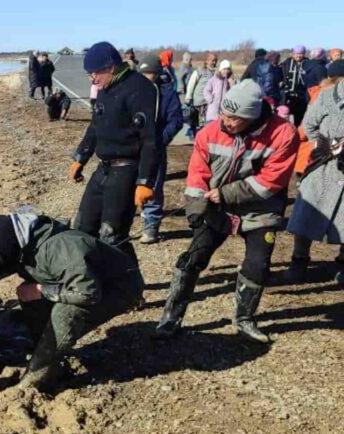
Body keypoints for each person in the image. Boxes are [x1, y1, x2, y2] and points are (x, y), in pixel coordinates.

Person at [154, 80, 299, 343]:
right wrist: (196, 208)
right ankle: (170, 318)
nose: (226, 121)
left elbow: (271, 182)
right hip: (216, 207)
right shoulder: (208, 132)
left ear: (252, 116)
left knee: (258, 264)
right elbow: (197, 173)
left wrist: (226, 193)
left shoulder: (284, 134)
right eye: (223, 113)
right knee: (193, 257)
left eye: (234, 117)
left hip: (260, 209)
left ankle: (244, 319)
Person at [0, 211, 144, 391]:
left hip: (119, 288)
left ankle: (37, 376)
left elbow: (88, 292)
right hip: (84, 283)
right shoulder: (21, 246)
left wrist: (41, 291)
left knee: (65, 313)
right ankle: (43, 350)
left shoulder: (57, 249)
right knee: (29, 294)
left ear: (5, 245)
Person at [70, 41, 159, 261]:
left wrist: (144, 182)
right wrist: (80, 158)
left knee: (113, 236)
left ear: (110, 68)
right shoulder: (105, 88)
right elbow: (95, 125)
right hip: (104, 168)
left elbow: (150, 139)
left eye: (94, 73)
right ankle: (91, 280)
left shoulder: (140, 89)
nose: (92, 79)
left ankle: (131, 291)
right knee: (82, 228)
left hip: (127, 170)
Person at [285, 60, 344, 287]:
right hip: (323, 165)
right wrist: (325, 145)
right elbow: (308, 124)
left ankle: (342, 264)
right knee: (308, 213)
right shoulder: (327, 97)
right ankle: (298, 261)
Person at [138, 55, 184, 244]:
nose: (146, 77)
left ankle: (151, 226)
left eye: (150, 73)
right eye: (143, 73)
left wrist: (160, 140)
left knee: (153, 186)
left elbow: (176, 120)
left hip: (155, 149)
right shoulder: (134, 92)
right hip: (133, 147)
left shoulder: (167, 94)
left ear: (157, 74)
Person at [282, 46, 324, 125]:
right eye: (296, 53)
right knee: (286, 115)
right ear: (293, 54)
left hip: (302, 95)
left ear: (304, 54)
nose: (298, 55)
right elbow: (282, 75)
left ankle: (298, 132)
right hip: (288, 95)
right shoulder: (287, 63)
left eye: (301, 54)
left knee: (300, 117)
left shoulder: (308, 63)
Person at [185, 53, 217, 136]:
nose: (213, 62)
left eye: (215, 61)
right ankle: (196, 136)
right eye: (212, 60)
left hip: (210, 101)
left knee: (208, 122)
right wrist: (188, 96)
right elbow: (192, 83)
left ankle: (204, 138)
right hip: (199, 100)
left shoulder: (216, 72)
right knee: (199, 122)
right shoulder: (200, 70)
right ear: (206, 61)